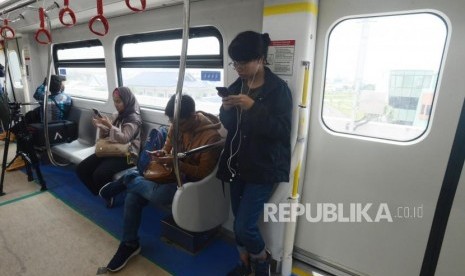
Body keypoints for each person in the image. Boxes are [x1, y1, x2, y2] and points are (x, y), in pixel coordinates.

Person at [101, 94, 222, 272]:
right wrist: (161, 153)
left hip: (190, 184)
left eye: (178, 122)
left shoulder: (210, 137)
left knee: (154, 193)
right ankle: (129, 243)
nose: (174, 125)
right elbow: (167, 149)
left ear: (192, 116)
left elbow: (203, 173)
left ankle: (128, 179)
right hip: (171, 175)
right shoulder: (176, 125)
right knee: (133, 196)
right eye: (172, 121)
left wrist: (178, 164)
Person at [216, 31, 293, 276]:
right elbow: (229, 124)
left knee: (244, 225)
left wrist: (253, 108)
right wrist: (226, 109)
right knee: (238, 219)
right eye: (234, 63)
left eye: (243, 62)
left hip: (263, 166)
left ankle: (262, 261)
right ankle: (244, 263)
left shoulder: (278, 90)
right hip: (236, 163)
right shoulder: (236, 86)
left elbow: (281, 130)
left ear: (260, 59)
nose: (237, 68)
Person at [76, 87, 142, 195]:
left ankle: (108, 194)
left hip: (129, 155)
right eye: (114, 101)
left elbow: (124, 138)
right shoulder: (119, 115)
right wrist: (101, 127)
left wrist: (110, 125)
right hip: (114, 149)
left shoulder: (134, 119)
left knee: (100, 173)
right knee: (82, 168)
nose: (116, 104)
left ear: (127, 101)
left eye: (118, 101)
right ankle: (100, 193)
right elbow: (108, 136)